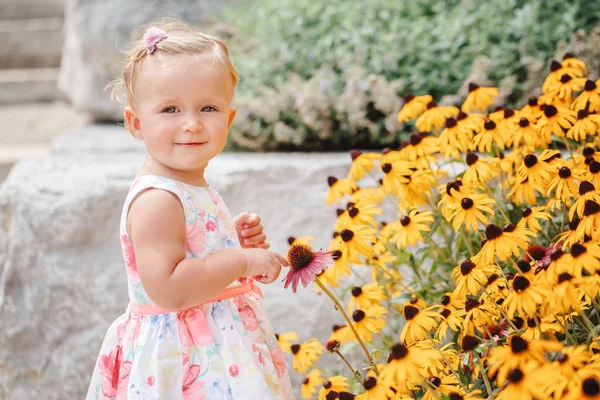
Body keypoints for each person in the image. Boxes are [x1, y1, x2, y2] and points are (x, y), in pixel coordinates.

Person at [86, 18, 294, 399]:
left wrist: (233, 241)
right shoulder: (157, 200)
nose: (193, 124)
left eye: (209, 108)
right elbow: (169, 288)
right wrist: (241, 262)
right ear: (135, 123)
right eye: (170, 110)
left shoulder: (186, 184)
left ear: (229, 119)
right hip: (183, 359)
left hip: (216, 347)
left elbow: (196, 255)